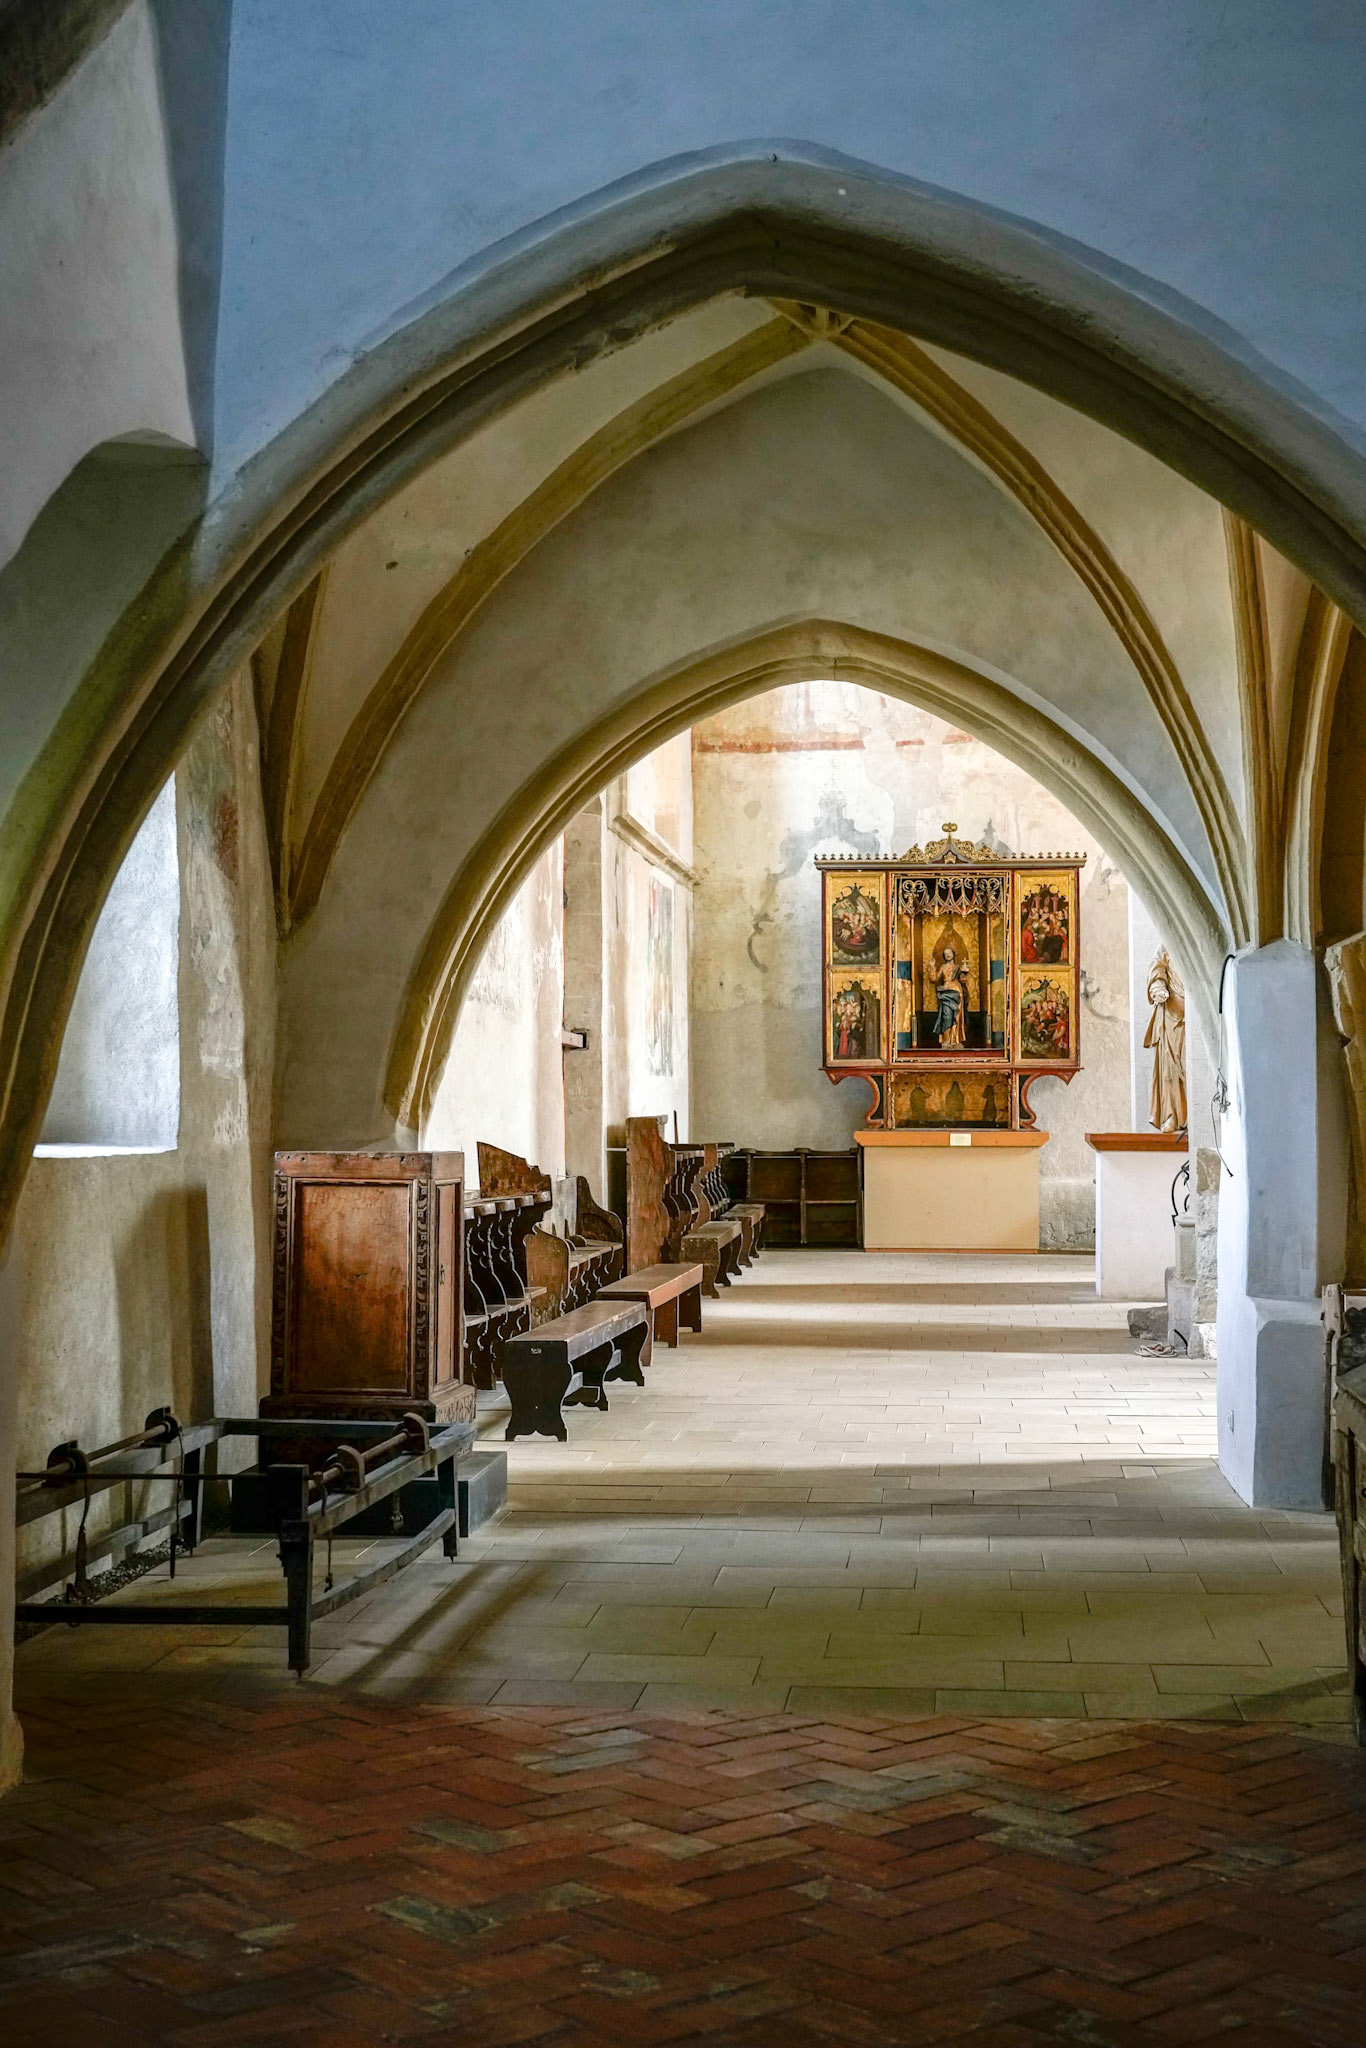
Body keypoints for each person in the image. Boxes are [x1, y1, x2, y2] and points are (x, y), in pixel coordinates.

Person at [1144, 950, 1187, 1132]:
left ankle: (1193, 1114)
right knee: (1168, 1070)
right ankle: (1172, 1115)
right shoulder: (1166, 944)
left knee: (1188, 1065)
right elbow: (1156, 969)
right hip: (1170, 1011)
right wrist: (1158, 987)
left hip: (1192, 1013)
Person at [931, 944, 969, 1047]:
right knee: (947, 1016)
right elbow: (934, 979)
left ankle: (955, 1040)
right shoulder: (943, 967)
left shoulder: (958, 967)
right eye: (945, 954)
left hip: (957, 993)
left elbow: (962, 980)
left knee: (956, 1017)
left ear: (953, 954)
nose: (947, 955)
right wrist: (932, 967)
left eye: (949, 953)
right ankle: (946, 1040)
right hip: (946, 993)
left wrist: (964, 973)